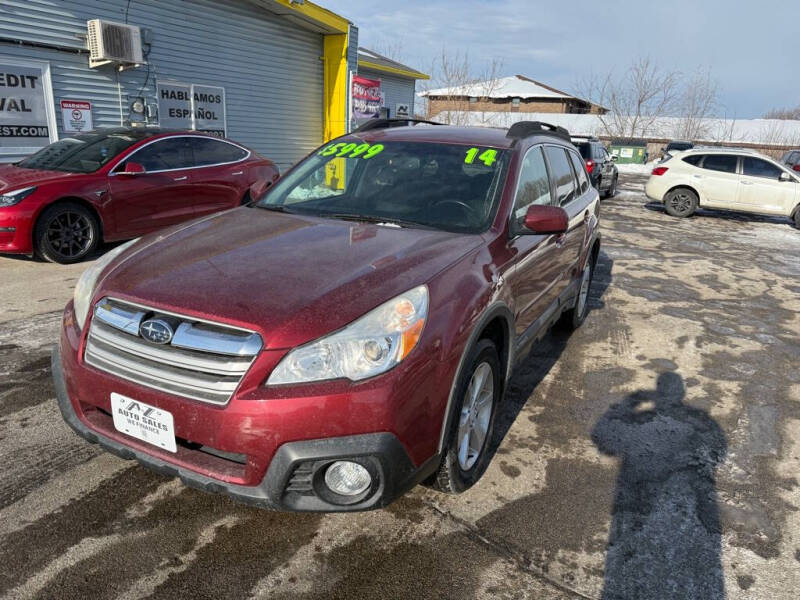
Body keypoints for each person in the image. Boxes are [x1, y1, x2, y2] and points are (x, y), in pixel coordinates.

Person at [592, 371, 726, 600]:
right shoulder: (699, 420)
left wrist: (630, 401)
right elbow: (718, 452)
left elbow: (602, 438)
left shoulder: (644, 420)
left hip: (648, 508)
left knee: (640, 562)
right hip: (679, 511)